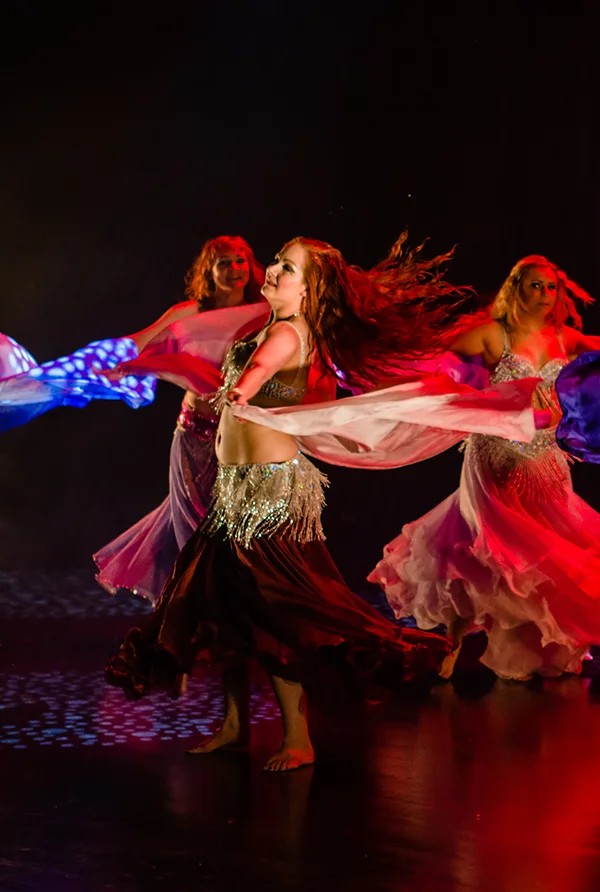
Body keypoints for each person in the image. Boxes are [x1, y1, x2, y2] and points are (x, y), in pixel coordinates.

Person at [106, 234, 471, 771]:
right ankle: (235, 725)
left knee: (277, 612)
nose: (273, 270)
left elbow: (258, 372)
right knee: (223, 609)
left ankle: (299, 737)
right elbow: (286, 391)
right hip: (235, 492)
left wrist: (243, 389)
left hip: (267, 495)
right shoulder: (271, 328)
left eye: (289, 269)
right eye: (277, 261)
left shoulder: (285, 333)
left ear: (309, 292)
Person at [370, 256, 600, 682]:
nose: (544, 294)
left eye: (551, 287)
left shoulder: (564, 338)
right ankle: (453, 641)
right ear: (515, 288)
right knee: (483, 548)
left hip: (546, 459)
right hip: (495, 455)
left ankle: (533, 648)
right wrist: (396, 373)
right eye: (535, 285)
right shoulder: (494, 334)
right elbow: (435, 355)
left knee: (541, 555)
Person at [94, 236, 265, 603]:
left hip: (240, 437)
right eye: (223, 263)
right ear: (208, 271)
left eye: (240, 261)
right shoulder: (190, 312)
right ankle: (194, 610)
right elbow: (140, 341)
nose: (233, 269)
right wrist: (98, 362)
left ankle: (226, 608)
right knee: (194, 528)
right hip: (193, 434)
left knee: (233, 528)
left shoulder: (262, 313)